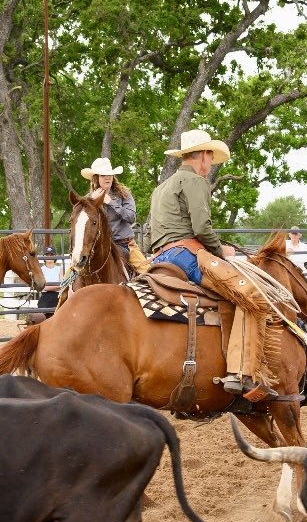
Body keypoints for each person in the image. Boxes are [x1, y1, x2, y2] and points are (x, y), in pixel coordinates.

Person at [149, 129, 277, 397]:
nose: (210, 165)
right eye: (211, 158)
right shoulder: (195, 182)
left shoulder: (161, 188)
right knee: (252, 297)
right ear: (204, 156)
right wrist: (221, 251)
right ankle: (240, 372)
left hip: (160, 258)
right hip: (187, 256)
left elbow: (152, 232)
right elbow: (201, 227)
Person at [81, 156, 148, 275]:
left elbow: (131, 217)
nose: (107, 177)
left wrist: (110, 202)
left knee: (149, 273)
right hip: (96, 248)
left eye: (109, 174)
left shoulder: (124, 195)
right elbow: (81, 224)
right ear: (95, 178)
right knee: (69, 278)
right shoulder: (88, 200)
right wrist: (92, 202)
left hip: (125, 244)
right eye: (103, 175)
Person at [37, 246, 62, 313]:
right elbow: (42, 286)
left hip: (57, 296)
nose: (49, 256)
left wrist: (47, 287)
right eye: (47, 254)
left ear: (55, 256)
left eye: (51, 254)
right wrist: (56, 287)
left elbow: (61, 285)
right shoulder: (41, 269)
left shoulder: (59, 269)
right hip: (45, 297)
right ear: (44, 257)